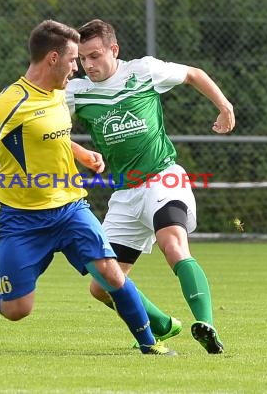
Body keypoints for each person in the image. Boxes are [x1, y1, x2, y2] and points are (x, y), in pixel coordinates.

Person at [0, 20, 175, 355]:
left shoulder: (60, 93)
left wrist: (82, 154)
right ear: (52, 58)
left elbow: (50, 135)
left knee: (111, 273)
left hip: (70, 209)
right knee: (17, 310)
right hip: (22, 221)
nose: (77, 67)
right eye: (72, 60)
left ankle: (150, 345)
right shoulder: (13, 100)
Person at [65, 19, 235, 354]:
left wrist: (224, 106)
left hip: (163, 178)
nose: (89, 64)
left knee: (173, 245)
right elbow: (43, 122)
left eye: (95, 56)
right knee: (101, 284)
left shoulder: (143, 71)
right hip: (125, 195)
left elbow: (194, 74)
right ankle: (162, 325)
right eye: (83, 58)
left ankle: (207, 324)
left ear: (114, 50)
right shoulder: (77, 92)